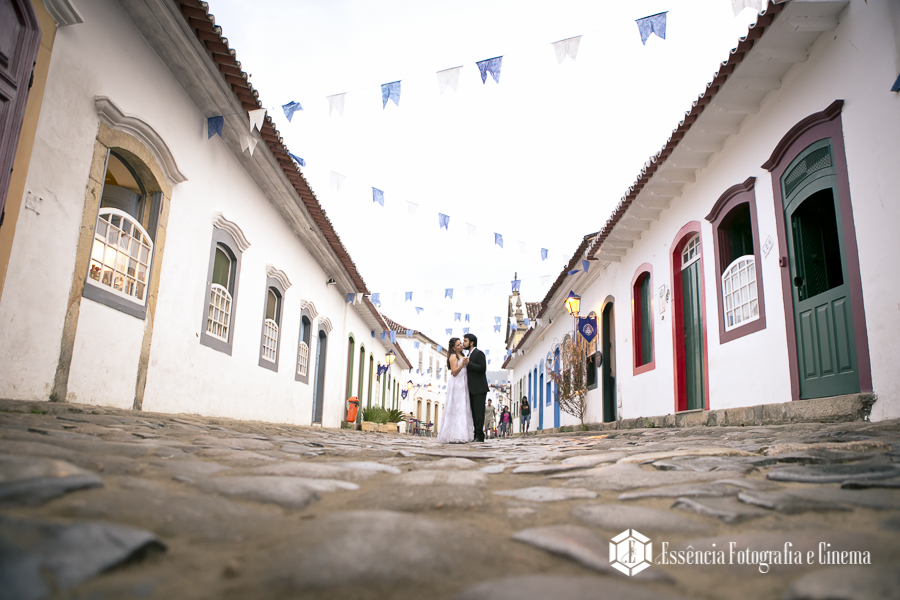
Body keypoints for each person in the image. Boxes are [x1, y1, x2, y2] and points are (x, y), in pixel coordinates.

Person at [437, 337, 474, 443]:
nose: (461, 346)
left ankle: (463, 433)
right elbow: (453, 372)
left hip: (463, 383)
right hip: (457, 384)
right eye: (458, 345)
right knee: (457, 408)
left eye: (460, 344)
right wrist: (462, 364)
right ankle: (454, 434)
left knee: (463, 408)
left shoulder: (462, 355)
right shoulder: (453, 356)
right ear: (453, 347)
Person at [463, 333, 488, 443]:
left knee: (479, 413)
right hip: (471, 388)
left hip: (479, 388)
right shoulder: (467, 355)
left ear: (471, 342)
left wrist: (469, 364)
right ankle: (475, 434)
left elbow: (482, 368)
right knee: (473, 413)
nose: (463, 343)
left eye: (465, 341)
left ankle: (480, 436)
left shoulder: (479, 353)